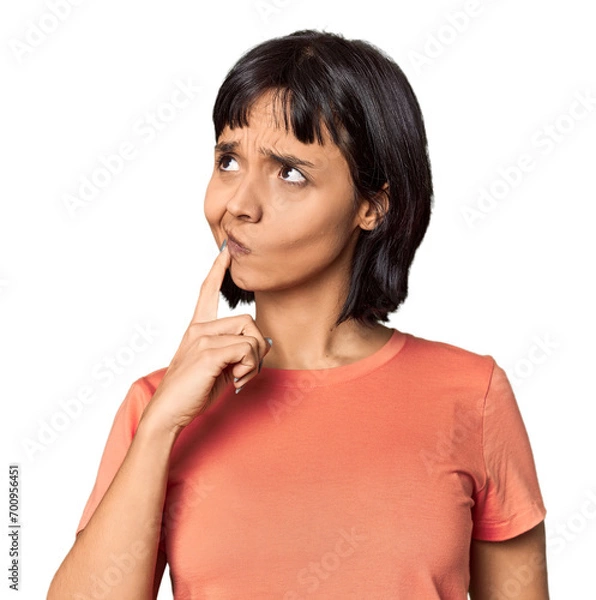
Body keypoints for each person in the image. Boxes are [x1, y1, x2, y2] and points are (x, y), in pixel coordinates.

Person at [48, 29, 549, 599]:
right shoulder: (156, 407)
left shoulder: (472, 395)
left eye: (289, 172)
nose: (238, 204)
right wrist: (162, 427)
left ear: (371, 206)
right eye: (228, 159)